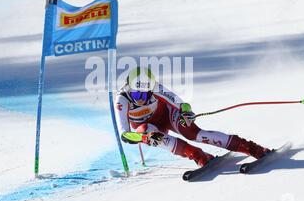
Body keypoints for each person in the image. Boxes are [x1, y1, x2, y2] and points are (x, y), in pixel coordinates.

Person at [115, 67, 271, 167]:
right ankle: (197, 155)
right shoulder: (121, 99)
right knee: (149, 134)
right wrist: (143, 138)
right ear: (129, 89)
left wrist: (186, 114)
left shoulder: (155, 87)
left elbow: (181, 104)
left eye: (145, 93)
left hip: (166, 116)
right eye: (136, 93)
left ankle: (251, 148)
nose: (140, 98)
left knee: (193, 133)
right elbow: (124, 134)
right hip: (149, 128)